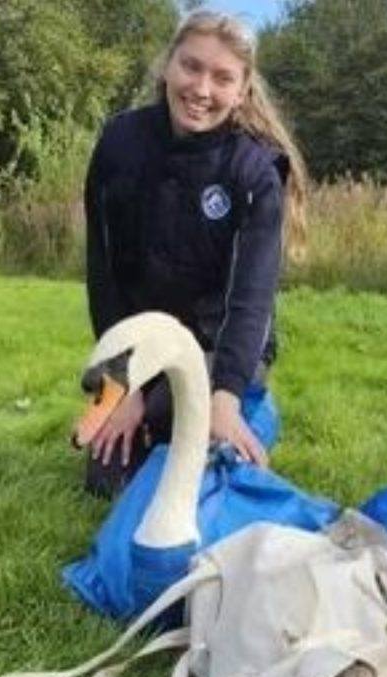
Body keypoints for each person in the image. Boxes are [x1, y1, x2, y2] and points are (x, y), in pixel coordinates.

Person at [81, 10, 308, 496]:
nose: (202, 89)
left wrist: (222, 399)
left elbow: (252, 301)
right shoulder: (118, 144)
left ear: (242, 89)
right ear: (167, 65)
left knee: (191, 443)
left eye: (222, 77)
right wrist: (121, 385)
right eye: (191, 67)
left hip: (216, 349)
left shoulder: (254, 172)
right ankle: (149, 406)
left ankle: (248, 405)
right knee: (106, 480)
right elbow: (104, 279)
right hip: (143, 347)